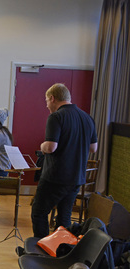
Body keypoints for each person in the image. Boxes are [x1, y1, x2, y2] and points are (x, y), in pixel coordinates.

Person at [31, 83, 98, 238]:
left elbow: (50, 148)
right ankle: (60, 252)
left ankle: (39, 252)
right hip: (76, 177)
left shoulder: (56, 116)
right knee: (64, 217)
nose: (47, 105)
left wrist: (42, 145)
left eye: (47, 100)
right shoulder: (87, 118)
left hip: (56, 176)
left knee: (39, 212)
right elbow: (93, 148)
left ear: (53, 98)